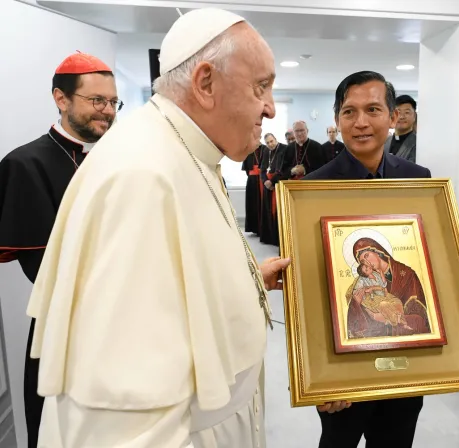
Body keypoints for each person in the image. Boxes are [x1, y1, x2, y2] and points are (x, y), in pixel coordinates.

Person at [25, 9, 290, 447]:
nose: (270, 107)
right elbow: (123, 419)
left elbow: (172, 287)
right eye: (261, 86)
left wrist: (246, 283)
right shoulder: (142, 176)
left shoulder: (185, 150)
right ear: (205, 83)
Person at [303, 70, 459, 448]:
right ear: (337, 119)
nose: (361, 122)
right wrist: (320, 374)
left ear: (392, 117)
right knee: (338, 440)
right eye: (349, 112)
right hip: (344, 365)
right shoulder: (311, 190)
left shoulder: (418, 179)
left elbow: (425, 254)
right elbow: (309, 292)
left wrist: (454, 268)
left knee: (396, 440)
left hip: (406, 357)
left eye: (372, 109)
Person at [0, 51, 118, 448]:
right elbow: (44, 269)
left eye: (113, 102)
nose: (107, 111)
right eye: (97, 101)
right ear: (61, 98)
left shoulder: (120, 158)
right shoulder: (25, 163)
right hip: (65, 329)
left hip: (125, 324)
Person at [259, 133, 286, 245]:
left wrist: (272, 181)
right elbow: (262, 169)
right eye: (268, 143)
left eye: (271, 141)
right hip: (267, 185)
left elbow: (284, 169)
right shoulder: (265, 151)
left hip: (278, 183)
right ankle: (269, 237)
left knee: (278, 211)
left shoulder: (284, 149)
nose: (270, 144)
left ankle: (277, 239)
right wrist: (265, 181)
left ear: (275, 139)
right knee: (268, 210)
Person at [383, 94, 416, 162]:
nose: (401, 117)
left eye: (407, 112)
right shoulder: (384, 141)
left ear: (414, 116)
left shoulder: (417, 143)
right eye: (398, 112)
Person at [242, 142, 266, 234]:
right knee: (253, 203)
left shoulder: (265, 148)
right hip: (252, 180)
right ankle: (255, 228)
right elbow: (247, 170)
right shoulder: (248, 149)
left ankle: (263, 228)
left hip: (264, 179)